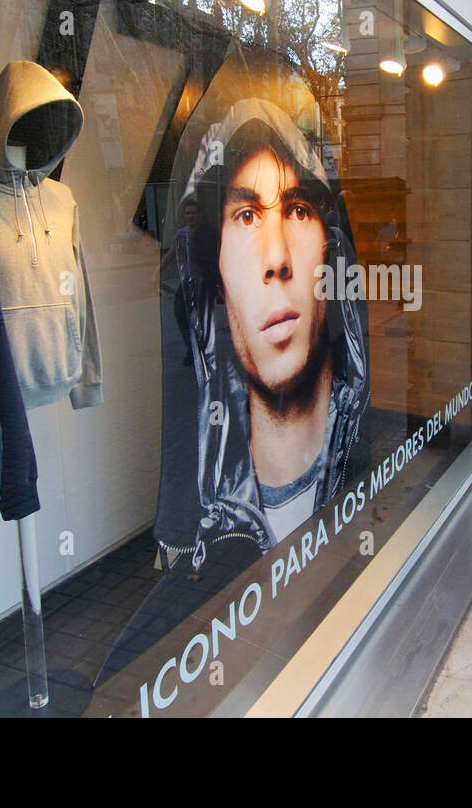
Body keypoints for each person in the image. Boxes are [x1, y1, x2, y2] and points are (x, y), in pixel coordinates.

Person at [96, 98, 369, 684]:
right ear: (213, 273)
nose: (276, 259)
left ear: (329, 249)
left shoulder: (367, 478)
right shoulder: (207, 549)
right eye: (246, 216)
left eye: (296, 209)